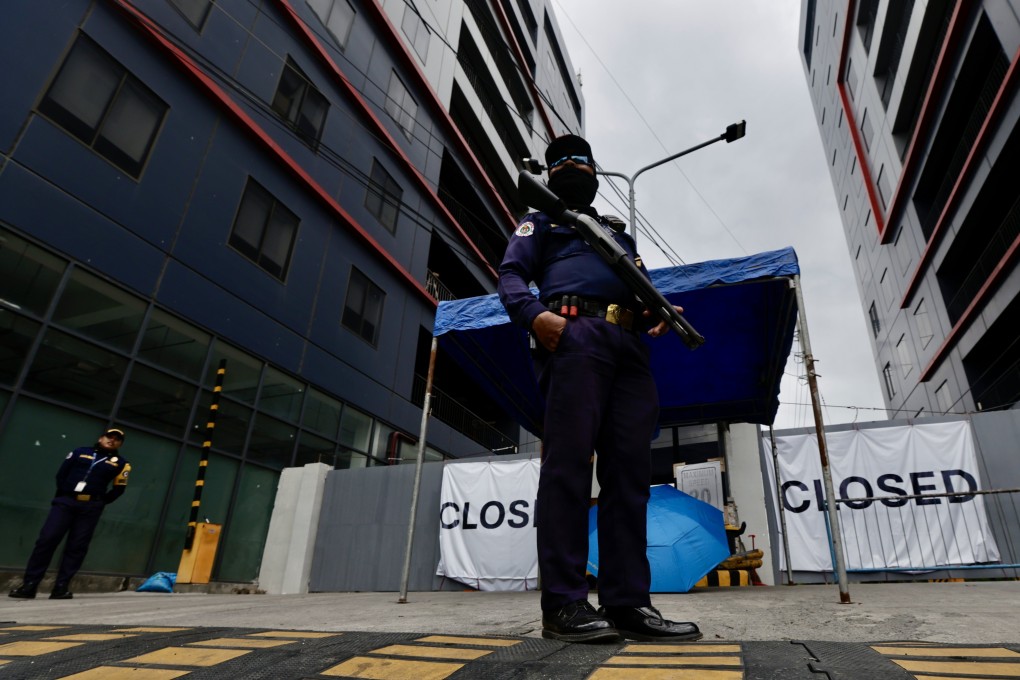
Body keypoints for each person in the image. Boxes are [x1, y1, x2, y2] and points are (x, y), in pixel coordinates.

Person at [497, 134, 702, 643]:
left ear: (595, 171)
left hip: (630, 350)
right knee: (568, 471)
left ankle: (628, 602)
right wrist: (535, 317)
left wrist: (658, 310)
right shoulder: (541, 220)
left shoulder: (616, 234)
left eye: (581, 158)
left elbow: (639, 286)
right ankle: (564, 606)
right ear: (548, 174)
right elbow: (511, 275)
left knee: (629, 480)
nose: (572, 164)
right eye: (561, 159)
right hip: (573, 337)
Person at [8, 428, 131, 600]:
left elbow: (119, 489)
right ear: (101, 438)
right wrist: (65, 494)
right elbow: (62, 474)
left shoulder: (121, 464)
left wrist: (99, 502)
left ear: (120, 444)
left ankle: (61, 587)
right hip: (66, 503)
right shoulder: (79, 452)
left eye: (117, 439)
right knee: (47, 540)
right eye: (109, 437)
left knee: (77, 546)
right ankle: (29, 585)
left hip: (90, 507)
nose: (112, 440)